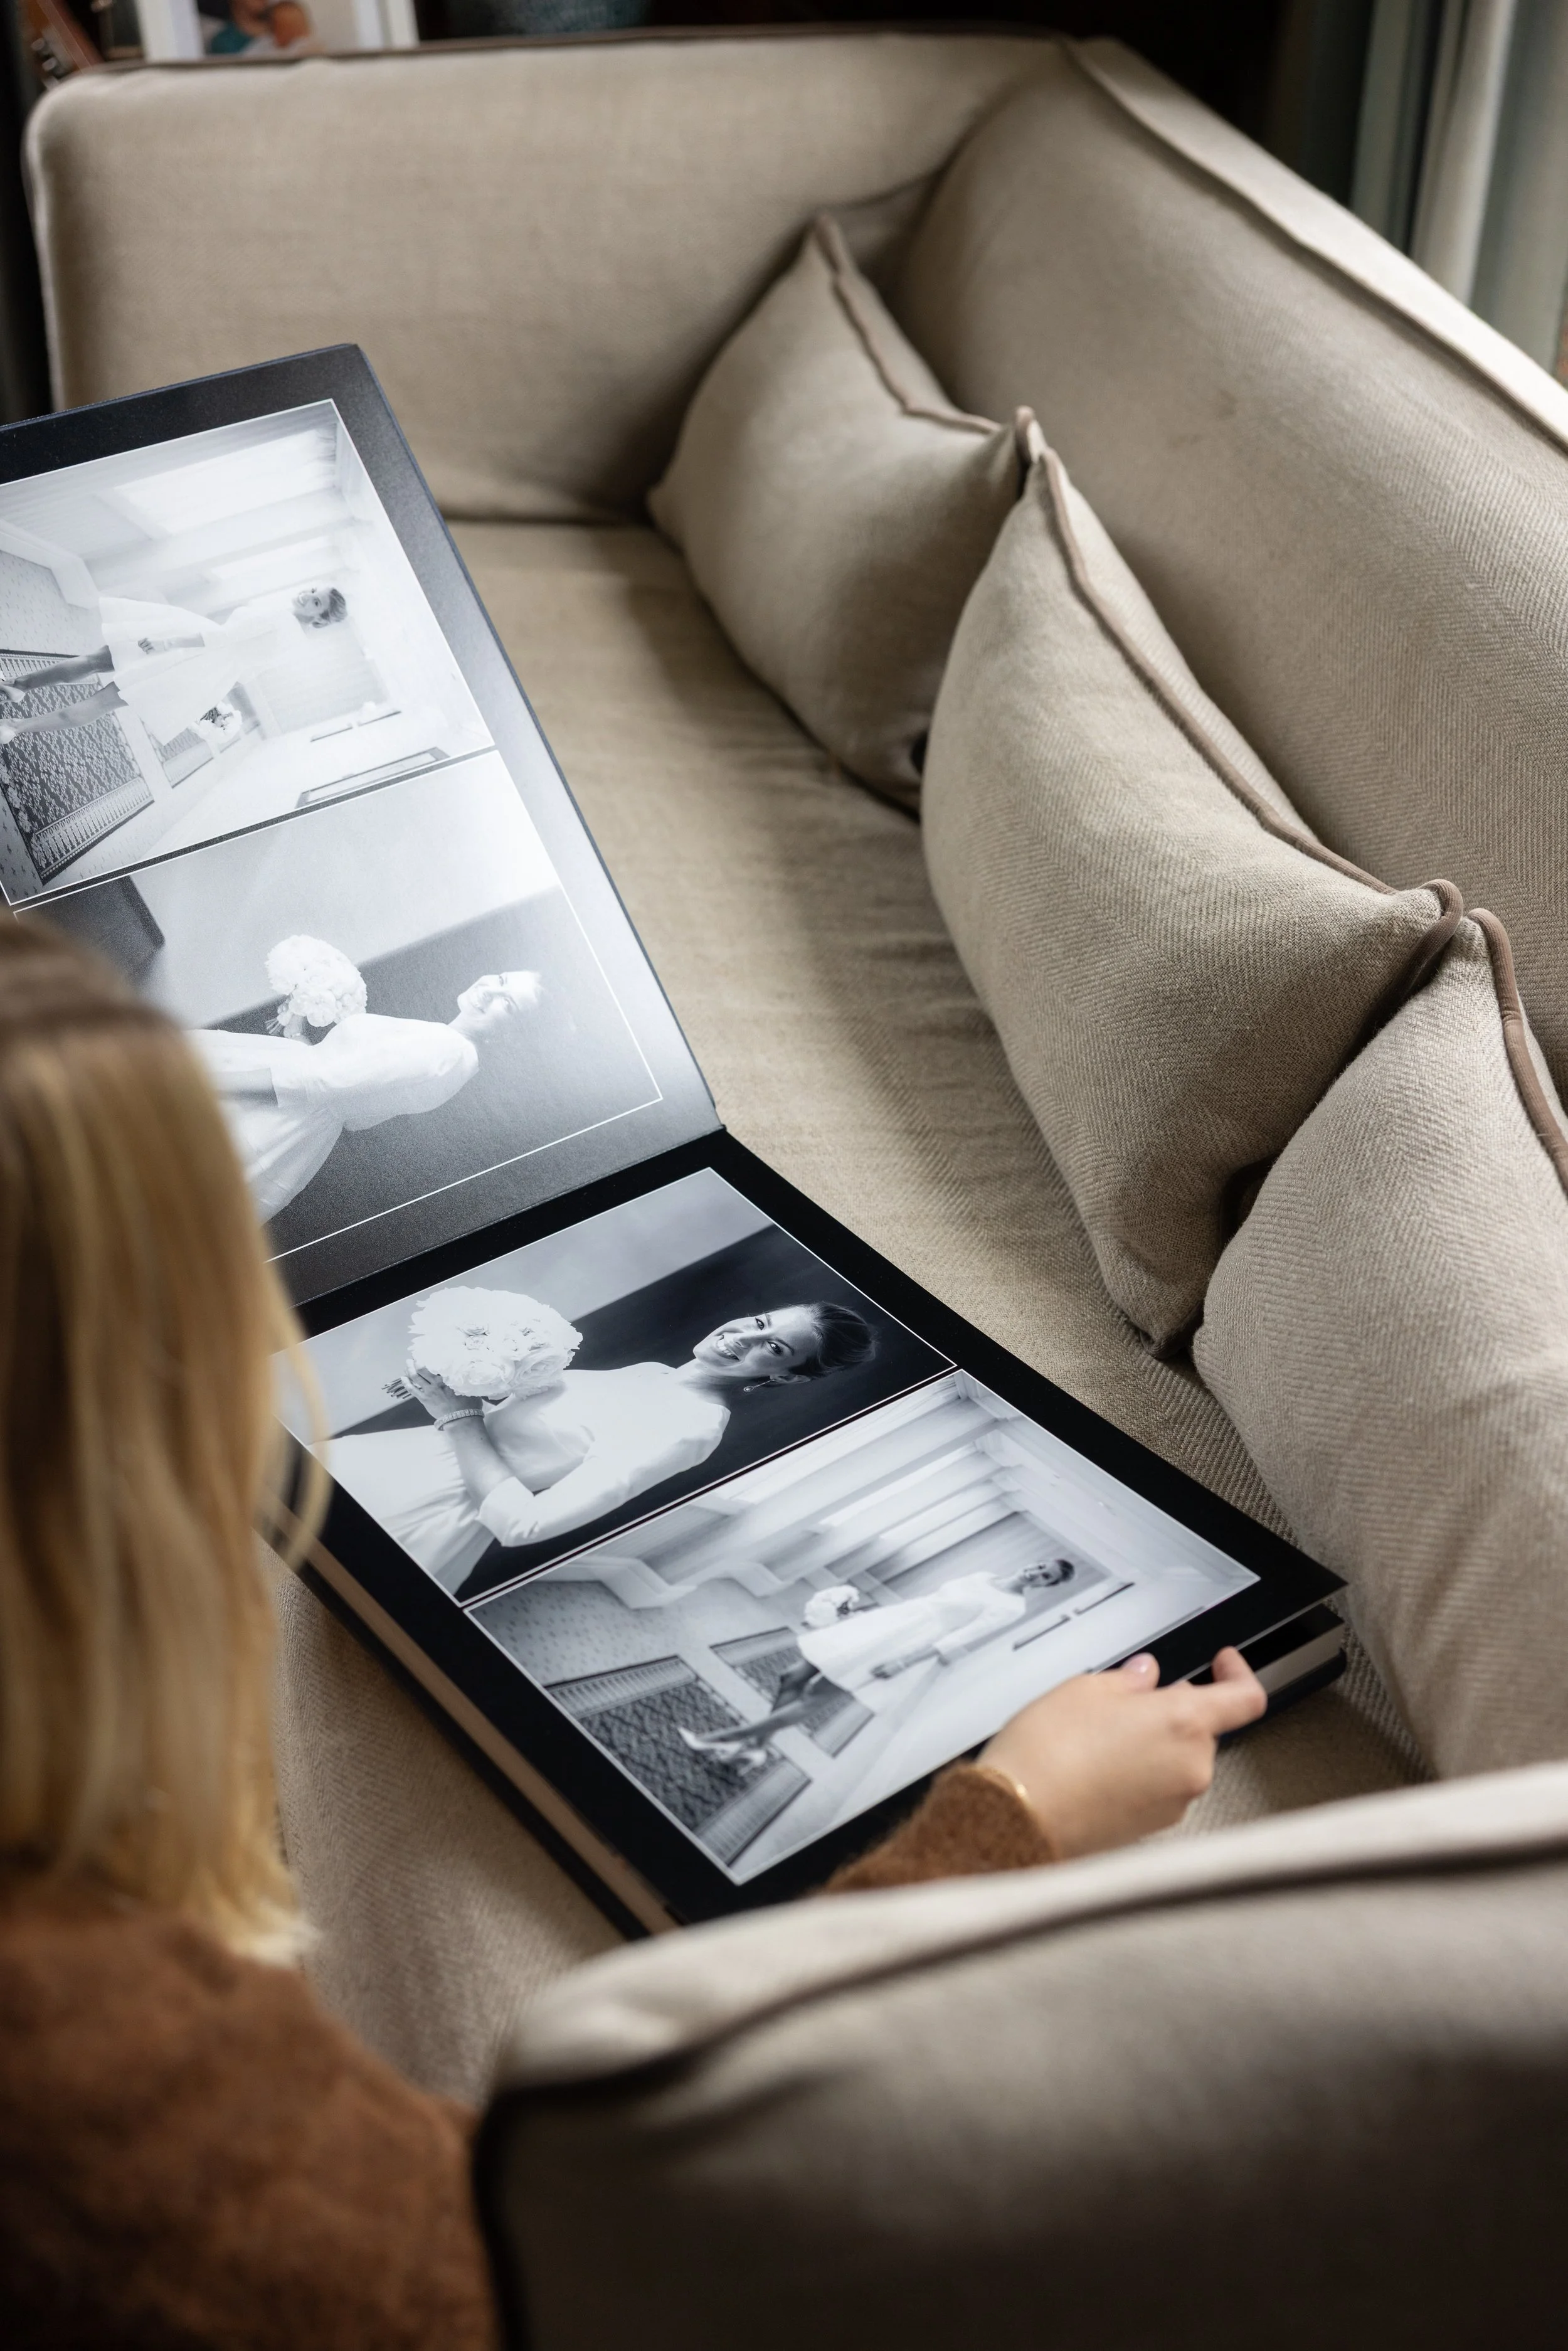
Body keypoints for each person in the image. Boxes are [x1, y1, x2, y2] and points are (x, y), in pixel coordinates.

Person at [0, 921, 1266, 2342]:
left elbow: (549, 1525)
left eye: (778, 1353)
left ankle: (751, 1722)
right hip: (434, 1475)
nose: (749, 1347)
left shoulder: (691, 1416)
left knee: (812, 1685)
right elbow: (548, 2263)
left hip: (460, 1484)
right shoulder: (76, 2028)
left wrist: (468, 1417)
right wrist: (1013, 1811)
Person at [326, 1291, 877, 1595]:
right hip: (401, 1459)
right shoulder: (652, 1372)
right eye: (759, 1319)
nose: (743, 1337)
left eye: (774, 1348)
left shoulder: (693, 1429)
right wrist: (458, 1381)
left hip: (426, 1514)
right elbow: (537, 1431)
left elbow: (526, 1526)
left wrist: (459, 1417)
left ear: (785, 1379)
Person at [191, 935, 543, 1221]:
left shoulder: (448, 1051)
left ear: (511, 1037)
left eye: (508, 1004)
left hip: (274, 1117)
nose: (491, 990)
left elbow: (321, 1084)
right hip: (299, 1124)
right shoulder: (455, 1054)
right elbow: (352, 1107)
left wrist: (209, 1084)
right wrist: (299, 1033)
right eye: (501, 980)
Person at [680, 1564, 1074, 1768]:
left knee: (816, 1696)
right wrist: (871, 1617)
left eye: (1045, 1577)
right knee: (793, 1675)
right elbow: (930, 1599)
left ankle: (721, 1737)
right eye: (1040, 1566)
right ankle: (757, 1748)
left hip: (908, 1645)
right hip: (892, 1622)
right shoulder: (985, 1575)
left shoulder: (1011, 1607)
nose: (1036, 1573)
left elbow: (955, 1639)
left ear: (1046, 1586)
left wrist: (903, 1661)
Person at [0, 584, 349, 758]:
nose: (308, 596)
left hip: (187, 652)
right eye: (313, 590)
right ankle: (17, 708)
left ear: (320, 618)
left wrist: (169, 644)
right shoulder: (295, 643)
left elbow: (223, 636)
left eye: (316, 602)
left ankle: (17, 709)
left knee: (98, 668)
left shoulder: (281, 618)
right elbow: (246, 673)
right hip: (204, 674)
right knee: (104, 697)